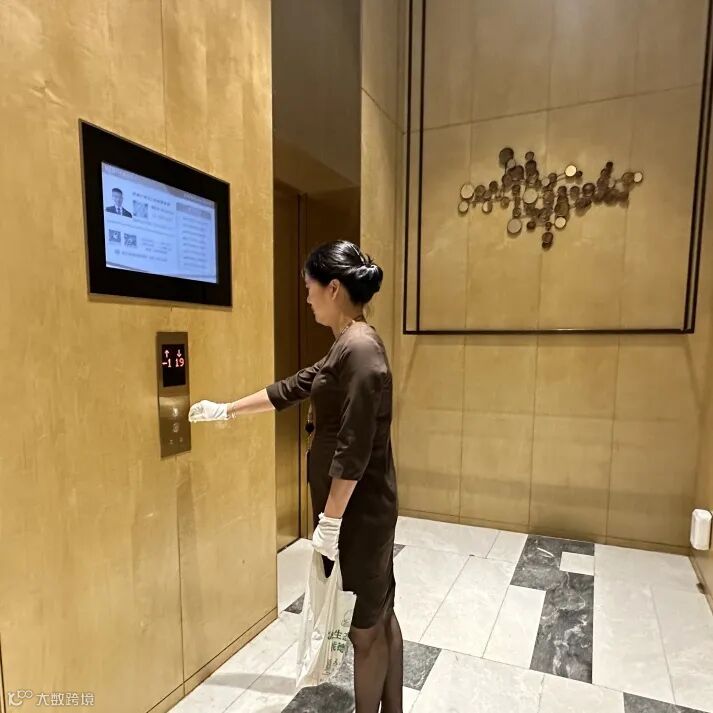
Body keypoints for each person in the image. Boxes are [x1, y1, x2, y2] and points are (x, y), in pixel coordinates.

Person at [188, 240, 402, 712]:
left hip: (359, 514)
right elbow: (293, 387)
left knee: (365, 628)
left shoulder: (360, 350)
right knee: (379, 611)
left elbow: (354, 447)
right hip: (357, 510)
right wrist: (227, 410)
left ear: (333, 288)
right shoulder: (347, 344)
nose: (306, 298)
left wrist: (331, 521)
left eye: (309, 288)